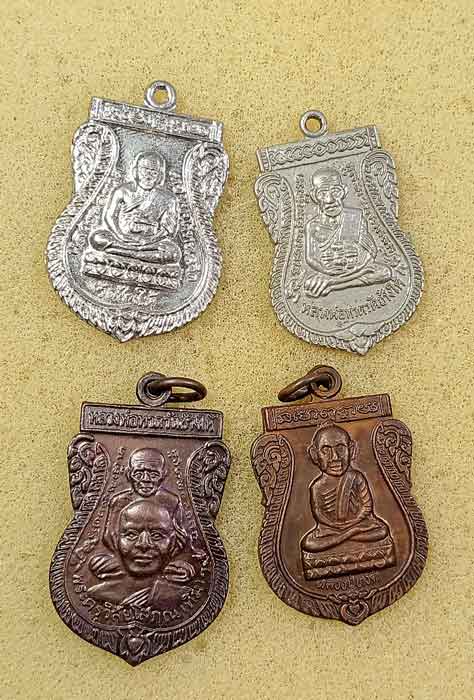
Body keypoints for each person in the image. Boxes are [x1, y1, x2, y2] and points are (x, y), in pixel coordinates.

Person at [89, 448, 197, 584]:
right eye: (139, 473)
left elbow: (180, 538)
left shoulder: (172, 501)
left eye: (153, 474)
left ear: (163, 474)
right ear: (129, 474)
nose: (146, 479)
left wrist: (167, 563)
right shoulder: (118, 501)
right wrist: (118, 559)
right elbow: (109, 536)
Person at [301, 424, 391, 553]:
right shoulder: (317, 487)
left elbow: (367, 506)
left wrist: (354, 523)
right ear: (315, 455)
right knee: (309, 543)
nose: (335, 457)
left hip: (359, 524)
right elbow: (319, 514)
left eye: (341, 448)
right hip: (330, 529)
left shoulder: (356, 477)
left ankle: (344, 537)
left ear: (352, 450)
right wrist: (337, 526)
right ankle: (350, 535)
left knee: (382, 530)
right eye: (326, 450)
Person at [87, 499, 192, 609]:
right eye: (131, 534)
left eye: (157, 535)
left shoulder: (182, 596)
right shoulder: (98, 594)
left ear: (173, 541)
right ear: (116, 539)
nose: (144, 544)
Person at [304, 169, 391, 298]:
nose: (329, 199)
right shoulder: (313, 226)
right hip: (331, 270)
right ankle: (333, 281)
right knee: (307, 284)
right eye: (322, 193)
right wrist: (325, 270)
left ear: (344, 191)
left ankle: (333, 284)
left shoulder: (354, 217)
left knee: (384, 272)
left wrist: (358, 258)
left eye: (335, 191)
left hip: (355, 269)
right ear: (313, 196)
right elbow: (310, 258)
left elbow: (371, 251)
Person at [88, 150, 182, 265]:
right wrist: (120, 235)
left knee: (173, 252)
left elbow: (168, 228)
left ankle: (124, 253)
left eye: (153, 172)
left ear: (160, 175)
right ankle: (137, 254)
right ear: (136, 171)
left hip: (150, 243)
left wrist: (149, 240)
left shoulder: (168, 199)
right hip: (121, 238)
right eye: (145, 170)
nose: (148, 175)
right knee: (97, 238)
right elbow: (110, 216)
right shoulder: (123, 191)